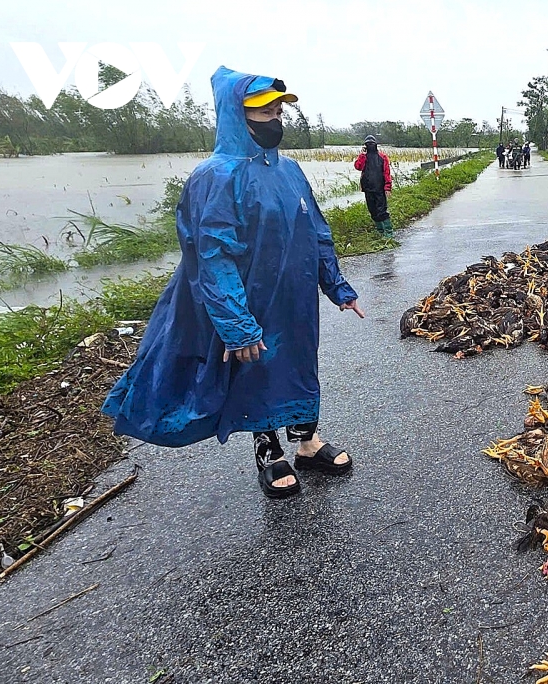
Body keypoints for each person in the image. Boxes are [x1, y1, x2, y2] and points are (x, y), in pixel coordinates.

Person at [102, 66, 364, 500]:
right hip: (250, 300)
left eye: (279, 110)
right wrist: (236, 323)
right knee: (257, 372)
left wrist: (336, 286)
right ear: (234, 115)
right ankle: (269, 453)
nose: (276, 119)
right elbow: (211, 255)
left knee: (301, 365)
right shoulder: (216, 176)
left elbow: (316, 229)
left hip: (295, 298)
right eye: (264, 111)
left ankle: (307, 444)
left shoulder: (291, 171)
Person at [353, 135, 394, 238]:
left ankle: (388, 232)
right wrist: (362, 155)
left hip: (379, 188)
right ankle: (380, 231)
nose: (370, 145)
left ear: (376, 144)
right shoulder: (364, 157)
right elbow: (358, 167)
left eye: (372, 144)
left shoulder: (382, 157)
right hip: (368, 188)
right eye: (368, 144)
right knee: (372, 210)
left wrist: (387, 188)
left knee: (382, 210)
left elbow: (386, 173)